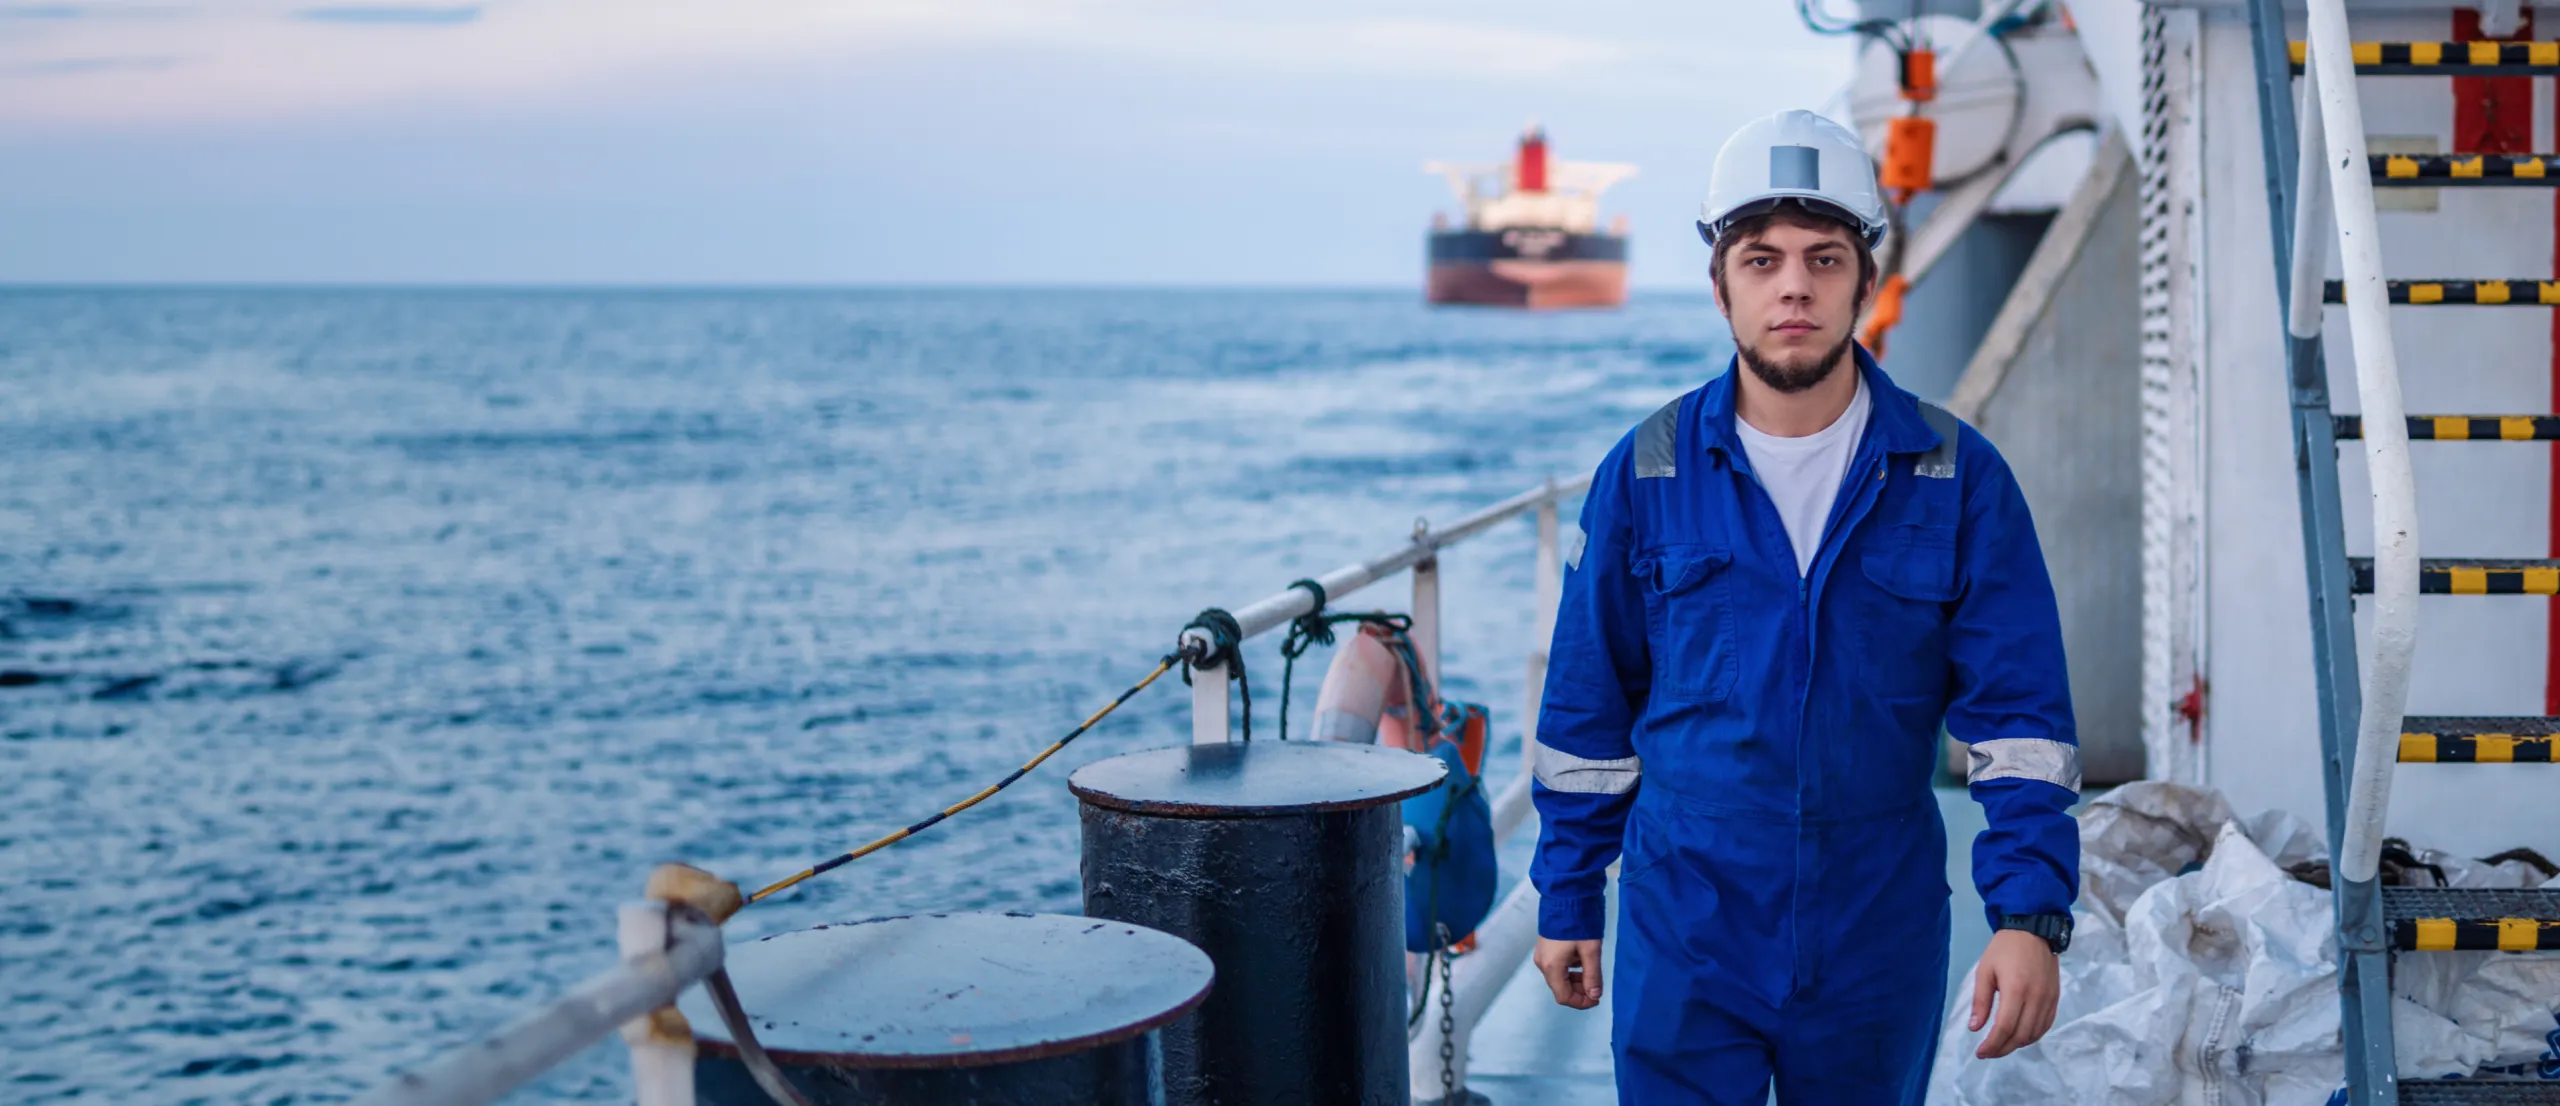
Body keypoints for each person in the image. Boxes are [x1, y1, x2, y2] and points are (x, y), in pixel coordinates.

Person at [1526, 109, 2081, 1104]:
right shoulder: (1646, 472)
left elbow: (2020, 718)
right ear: (1720, 284)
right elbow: (1586, 705)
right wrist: (1567, 892)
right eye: (1761, 258)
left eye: (1824, 258)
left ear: (1866, 280)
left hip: (1876, 924)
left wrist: (2026, 913)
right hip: (1685, 924)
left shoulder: (1956, 476)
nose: (1793, 285)